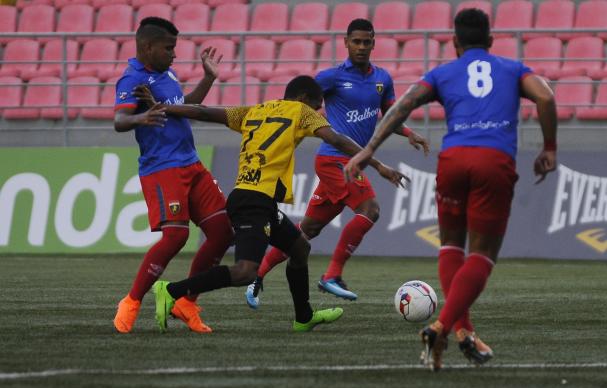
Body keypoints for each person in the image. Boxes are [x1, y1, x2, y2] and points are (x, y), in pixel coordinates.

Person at [345, 9, 558, 371]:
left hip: (453, 160)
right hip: (494, 161)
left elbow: (404, 104)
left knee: (449, 246)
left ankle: (463, 334)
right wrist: (549, 146)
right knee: (482, 255)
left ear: (455, 42)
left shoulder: (443, 73)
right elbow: (546, 97)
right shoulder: (512, 68)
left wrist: (369, 149)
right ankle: (441, 327)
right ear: (491, 41)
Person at [135, 75, 407, 332]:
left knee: (299, 248)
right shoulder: (300, 111)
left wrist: (165, 109)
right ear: (303, 98)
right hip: (252, 202)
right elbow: (335, 139)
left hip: (255, 199)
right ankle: (171, 290)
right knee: (245, 271)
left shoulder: (253, 111)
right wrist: (377, 164)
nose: (318, 112)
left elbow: (204, 112)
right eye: (317, 106)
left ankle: (304, 317)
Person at [245, 18, 429, 308]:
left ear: (373, 43)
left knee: (305, 232)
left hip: (350, 161)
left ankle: (257, 276)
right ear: (345, 42)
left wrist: (408, 133)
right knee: (370, 210)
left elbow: (389, 114)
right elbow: (299, 103)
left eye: (366, 42)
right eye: (356, 41)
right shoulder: (330, 77)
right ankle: (332, 275)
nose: (361, 47)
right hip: (334, 160)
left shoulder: (383, 79)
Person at [112, 17, 233, 334]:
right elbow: (120, 121)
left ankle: (186, 302)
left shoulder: (166, 73)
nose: (174, 54)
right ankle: (132, 301)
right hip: (162, 168)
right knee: (176, 235)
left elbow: (186, 105)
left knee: (223, 231)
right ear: (148, 47)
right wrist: (143, 115)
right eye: (169, 48)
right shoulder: (132, 80)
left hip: (191, 164)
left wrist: (208, 79)